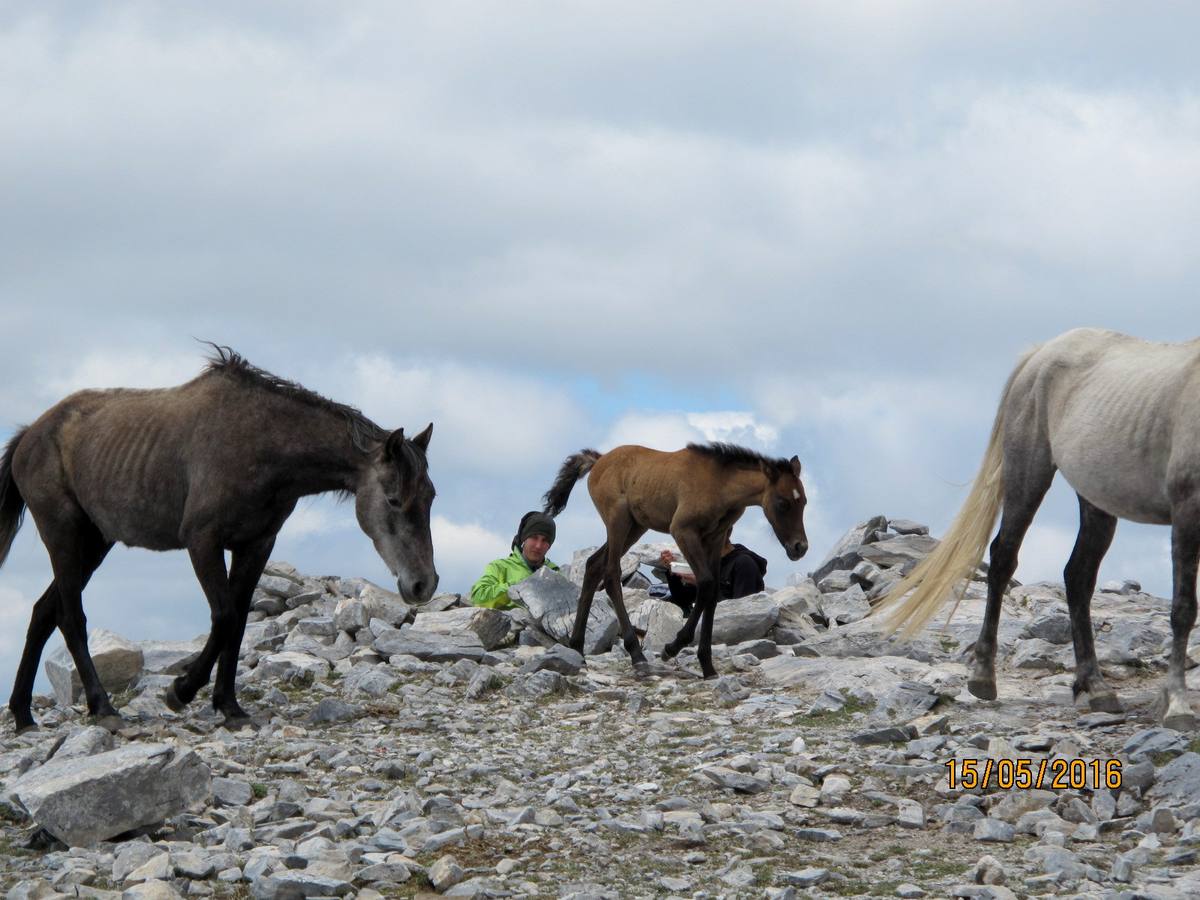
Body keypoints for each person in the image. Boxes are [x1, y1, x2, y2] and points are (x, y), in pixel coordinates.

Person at [654, 537, 767, 617]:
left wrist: (704, 585)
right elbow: (682, 599)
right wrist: (672, 571)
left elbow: (741, 613)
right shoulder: (710, 562)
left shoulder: (744, 563)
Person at [470, 511, 560, 609]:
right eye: (534, 537)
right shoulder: (499, 567)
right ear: (524, 539)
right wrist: (517, 587)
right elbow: (478, 598)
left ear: (549, 546)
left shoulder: (556, 573)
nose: (538, 546)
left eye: (545, 540)